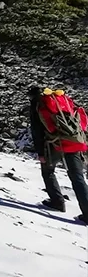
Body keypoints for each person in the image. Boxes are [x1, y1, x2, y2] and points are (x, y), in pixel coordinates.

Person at [29, 86, 88, 223]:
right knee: (77, 177)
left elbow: (36, 131)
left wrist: (40, 153)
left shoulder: (38, 105)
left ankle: (57, 202)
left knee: (48, 171)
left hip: (54, 143)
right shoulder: (61, 101)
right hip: (74, 141)